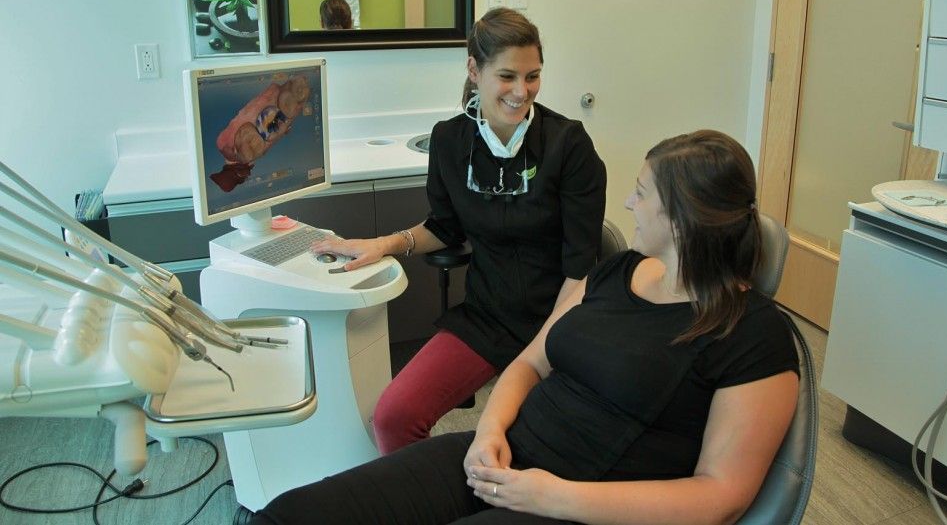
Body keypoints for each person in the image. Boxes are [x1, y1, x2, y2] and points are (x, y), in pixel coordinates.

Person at [254, 130, 800, 525]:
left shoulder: (754, 336)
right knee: (292, 515)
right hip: (506, 456)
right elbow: (531, 362)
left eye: (642, 192)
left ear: (682, 217)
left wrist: (553, 497)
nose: (629, 203)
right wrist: (489, 433)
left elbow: (721, 496)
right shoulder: (617, 272)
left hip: (585, 507)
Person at [311, 7, 607, 453]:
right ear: (474, 70)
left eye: (533, 77)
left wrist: (539, 353)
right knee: (394, 417)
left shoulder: (568, 145)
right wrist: (385, 244)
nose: (522, 91)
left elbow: (580, 269)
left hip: (561, 319)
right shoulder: (450, 141)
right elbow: (444, 228)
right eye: (507, 76)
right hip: (488, 318)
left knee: (532, 442)